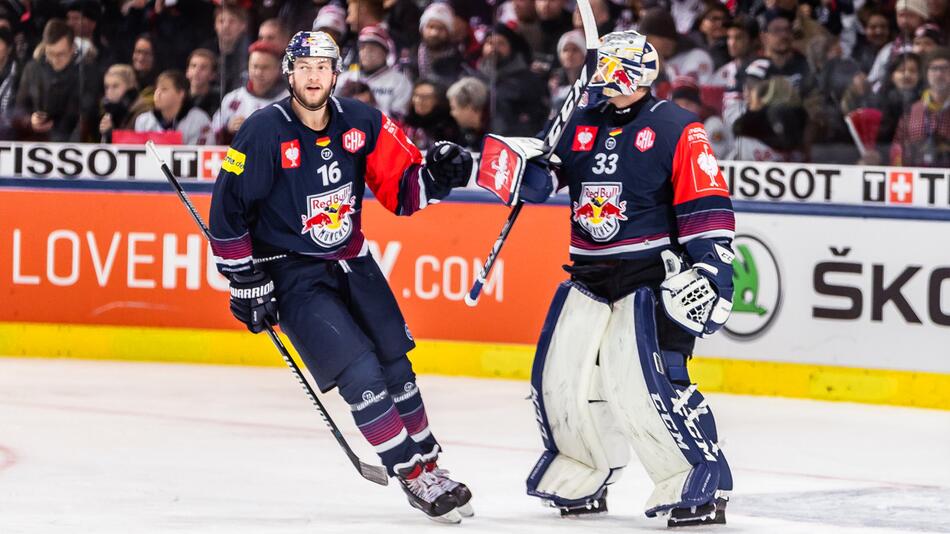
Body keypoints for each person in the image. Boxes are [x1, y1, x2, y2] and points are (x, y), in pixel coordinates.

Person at [207, 31, 475, 524]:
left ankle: (432, 465)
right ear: (291, 73)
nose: (313, 76)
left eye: (323, 67)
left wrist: (440, 175)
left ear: (336, 73)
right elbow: (227, 212)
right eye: (304, 66)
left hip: (354, 263)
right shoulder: (264, 131)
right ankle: (411, 475)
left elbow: (404, 191)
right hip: (292, 275)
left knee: (397, 367)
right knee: (361, 373)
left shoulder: (363, 120)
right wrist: (245, 281)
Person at [494, 30, 734, 527]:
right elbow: (547, 180)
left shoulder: (677, 129)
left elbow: (705, 204)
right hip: (589, 275)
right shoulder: (579, 120)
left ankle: (700, 479)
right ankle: (585, 470)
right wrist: (528, 172)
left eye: (610, 68)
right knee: (567, 384)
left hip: (653, 277)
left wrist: (713, 269)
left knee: (657, 382)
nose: (601, 77)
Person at [207, 40, 287, 145]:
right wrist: (228, 129)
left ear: (277, 69)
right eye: (255, 66)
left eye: (265, 67)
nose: (258, 72)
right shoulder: (233, 98)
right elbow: (211, 137)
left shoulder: (288, 101)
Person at [335, 25, 412, 117]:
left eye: (372, 48)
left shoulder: (400, 81)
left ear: (385, 53)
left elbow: (399, 120)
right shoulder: (345, 78)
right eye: (363, 47)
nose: (366, 52)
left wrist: (372, 107)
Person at [134, 69, 211, 144]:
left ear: (181, 94)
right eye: (156, 89)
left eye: (164, 89)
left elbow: (202, 153)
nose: (157, 94)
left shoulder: (199, 120)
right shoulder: (144, 120)